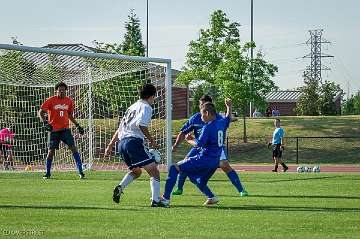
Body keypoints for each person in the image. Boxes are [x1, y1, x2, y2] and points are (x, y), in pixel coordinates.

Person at [172, 96, 248, 197]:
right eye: (200, 104)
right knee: (186, 161)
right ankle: (179, 188)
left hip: (214, 147)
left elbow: (226, 123)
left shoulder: (217, 118)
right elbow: (183, 132)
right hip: (199, 146)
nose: (201, 106)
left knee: (224, 165)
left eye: (203, 104)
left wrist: (229, 107)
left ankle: (241, 190)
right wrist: (176, 145)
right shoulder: (195, 118)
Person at [105, 83, 166, 207]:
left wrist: (110, 145)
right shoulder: (146, 107)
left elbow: (120, 128)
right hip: (133, 142)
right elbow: (141, 125)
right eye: (154, 97)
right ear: (151, 96)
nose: (154, 100)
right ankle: (155, 200)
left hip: (122, 144)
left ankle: (120, 187)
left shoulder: (132, 107)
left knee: (137, 172)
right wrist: (152, 141)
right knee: (154, 171)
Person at [161, 101, 231, 207]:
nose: (201, 117)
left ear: (207, 113)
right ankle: (211, 197)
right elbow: (228, 118)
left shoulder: (207, 127)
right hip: (215, 162)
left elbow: (199, 145)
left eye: (202, 114)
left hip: (204, 159)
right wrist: (229, 107)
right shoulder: (221, 123)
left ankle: (165, 199)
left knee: (173, 168)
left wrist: (189, 139)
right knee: (197, 179)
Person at [38, 82, 85, 179]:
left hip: (65, 130)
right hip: (53, 130)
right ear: (57, 90)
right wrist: (45, 123)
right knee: (50, 152)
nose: (61, 91)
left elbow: (70, 115)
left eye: (63, 89)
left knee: (74, 148)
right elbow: (40, 112)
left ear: (66, 90)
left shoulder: (69, 101)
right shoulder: (51, 100)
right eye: (60, 90)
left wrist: (77, 125)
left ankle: (81, 172)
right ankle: (47, 173)